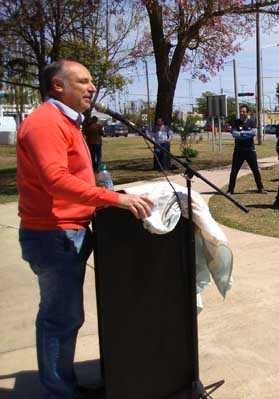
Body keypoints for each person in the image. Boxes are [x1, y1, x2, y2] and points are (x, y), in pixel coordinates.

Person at [17, 60, 153, 399]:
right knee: (59, 320)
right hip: (54, 234)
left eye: (92, 81)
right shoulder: (46, 123)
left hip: (67, 232)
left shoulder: (65, 122)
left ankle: (63, 386)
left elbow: (73, 176)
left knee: (65, 318)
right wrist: (112, 200)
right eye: (84, 81)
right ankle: (59, 393)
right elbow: (56, 182)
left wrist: (102, 189)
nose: (92, 87)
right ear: (58, 86)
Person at [227, 104, 265, 194]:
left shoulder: (251, 122)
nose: (242, 113)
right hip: (238, 151)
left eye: (244, 111)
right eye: (241, 111)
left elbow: (254, 133)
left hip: (250, 150)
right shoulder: (236, 122)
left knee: (255, 170)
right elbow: (234, 134)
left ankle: (260, 188)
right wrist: (246, 134)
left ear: (247, 113)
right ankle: (230, 189)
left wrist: (242, 133)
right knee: (234, 171)